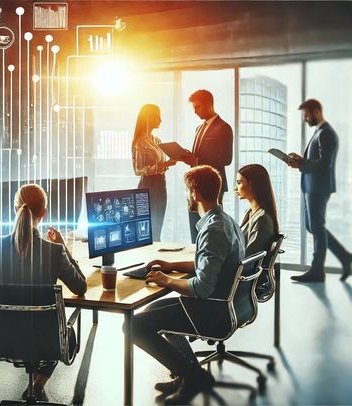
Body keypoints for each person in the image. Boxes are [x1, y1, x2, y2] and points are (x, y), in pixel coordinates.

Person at [132, 165, 244, 404]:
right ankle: (186, 373)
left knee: (133, 326)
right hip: (225, 303)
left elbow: (202, 287)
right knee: (151, 311)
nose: (187, 196)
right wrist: (170, 265)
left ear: (194, 192)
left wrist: (166, 280)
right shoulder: (225, 221)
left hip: (211, 310)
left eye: (187, 191)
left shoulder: (213, 230)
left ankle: (194, 377)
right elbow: (207, 264)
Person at [0, 184, 87, 402]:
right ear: (44, 213)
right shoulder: (54, 251)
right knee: (61, 328)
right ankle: (38, 385)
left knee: (46, 327)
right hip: (48, 340)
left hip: (1, 336)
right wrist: (64, 246)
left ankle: (36, 386)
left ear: (14, 209)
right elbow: (80, 287)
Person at [287, 99, 351, 282]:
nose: (305, 119)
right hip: (313, 186)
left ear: (316, 112)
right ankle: (345, 257)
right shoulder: (320, 132)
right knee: (313, 225)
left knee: (316, 225)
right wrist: (302, 160)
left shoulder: (326, 133)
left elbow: (325, 163)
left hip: (318, 187)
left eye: (306, 115)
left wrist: (302, 163)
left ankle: (317, 270)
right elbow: (317, 160)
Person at [183, 90, 233, 243]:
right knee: (194, 227)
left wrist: (197, 159)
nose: (195, 111)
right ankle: (194, 259)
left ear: (208, 104)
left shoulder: (224, 127)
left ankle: (210, 261)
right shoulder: (199, 128)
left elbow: (226, 158)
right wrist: (189, 157)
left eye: (197, 107)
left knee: (212, 229)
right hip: (195, 185)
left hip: (212, 185)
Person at [131, 104, 176, 241]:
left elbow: (159, 165)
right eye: (157, 116)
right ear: (148, 118)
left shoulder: (157, 140)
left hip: (161, 185)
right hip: (147, 186)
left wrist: (168, 163)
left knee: (158, 227)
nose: (160, 119)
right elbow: (138, 169)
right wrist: (162, 165)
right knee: (148, 231)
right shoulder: (139, 142)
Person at [235, 164, 279, 294]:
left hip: (242, 280)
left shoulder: (262, 219)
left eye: (239, 182)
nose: (235, 188)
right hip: (239, 275)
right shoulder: (251, 212)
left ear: (252, 184)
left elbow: (249, 259)